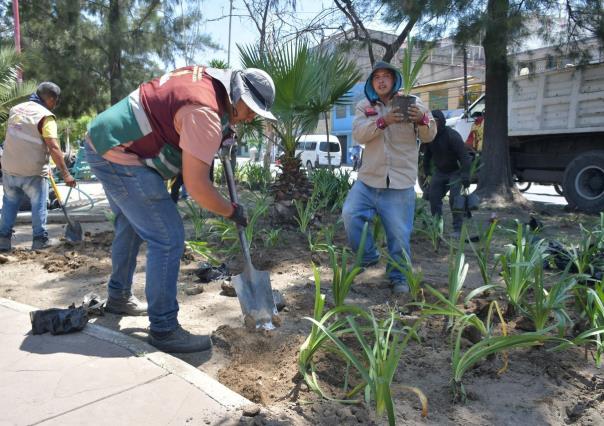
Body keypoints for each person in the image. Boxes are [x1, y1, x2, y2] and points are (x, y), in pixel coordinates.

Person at [85, 65, 276, 353]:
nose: (250, 117)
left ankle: (119, 297)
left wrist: (223, 129)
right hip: (117, 152)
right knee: (168, 236)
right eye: (249, 108)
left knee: (133, 224)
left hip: (104, 137)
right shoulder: (204, 112)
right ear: (236, 93)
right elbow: (197, 188)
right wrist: (230, 210)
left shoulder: (211, 82)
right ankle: (163, 329)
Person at [342, 61, 436, 295]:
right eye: (377, 78)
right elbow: (359, 134)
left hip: (400, 182)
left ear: (394, 80)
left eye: (386, 76)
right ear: (372, 83)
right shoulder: (365, 106)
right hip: (368, 179)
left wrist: (422, 119)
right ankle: (368, 259)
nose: (382, 81)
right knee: (350, 213)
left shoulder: (413, 103)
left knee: (398, 235)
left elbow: (429, 135)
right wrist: (384, 121)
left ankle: (399, 277)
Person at [0, 82, 76, 252]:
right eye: (55, 101)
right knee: (38, 204)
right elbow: (54, 147)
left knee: (9, 203)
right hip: (33, 171)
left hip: (9, 167)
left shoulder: (16, 109)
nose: (55, 105)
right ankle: (39, 240)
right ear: (49, 98)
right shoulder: (46, 117)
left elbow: (17, 136)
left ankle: (3, 240)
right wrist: (66, 174)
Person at [423, 109, 471, 238]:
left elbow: (464, 156)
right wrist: (426, 171)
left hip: (455, 172)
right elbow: (427, 156)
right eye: (431, 121)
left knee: (455, 200)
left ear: (442, 122)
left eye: (436, 121)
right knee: (433, 197)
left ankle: (457, 229)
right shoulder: (430, 136)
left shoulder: (452, 135)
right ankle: (437, 226)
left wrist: (465, 175)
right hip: (440, 172)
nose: (433, 124)